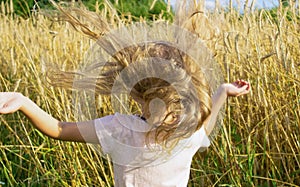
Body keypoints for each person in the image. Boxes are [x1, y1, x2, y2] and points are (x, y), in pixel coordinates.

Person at [0, 2, 251, 186]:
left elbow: (59, 129)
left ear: (137, 94)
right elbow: (206, 127)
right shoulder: (186, 132)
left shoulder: (121, 129)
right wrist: (222, 93)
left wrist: (24, 102)